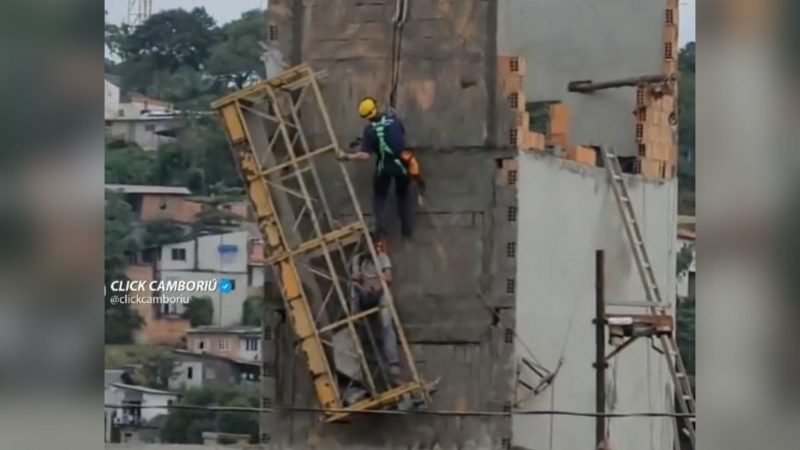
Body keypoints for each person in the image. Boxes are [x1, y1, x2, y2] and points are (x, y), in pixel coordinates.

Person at [340, 97, 417, 239]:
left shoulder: (370, 130)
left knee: (379, 197)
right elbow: (400, 136)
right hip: (401, 165)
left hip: (384, 167)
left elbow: (365, 155)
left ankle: (380, 229)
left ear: (365, 116)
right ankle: (407, 230)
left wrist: (348, 156)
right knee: (403, 196)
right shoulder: (395, 120)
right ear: (376, 107)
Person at [350, 238, 402, 380]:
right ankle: (356, 314)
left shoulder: (382, 258)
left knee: (386, 323)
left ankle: (393, 362)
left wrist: (377, 286)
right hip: (365, 294)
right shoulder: (358, 259)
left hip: (379, 294)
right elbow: (354, 278)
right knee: (352, 288)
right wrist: (358, 279)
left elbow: (388, 277)